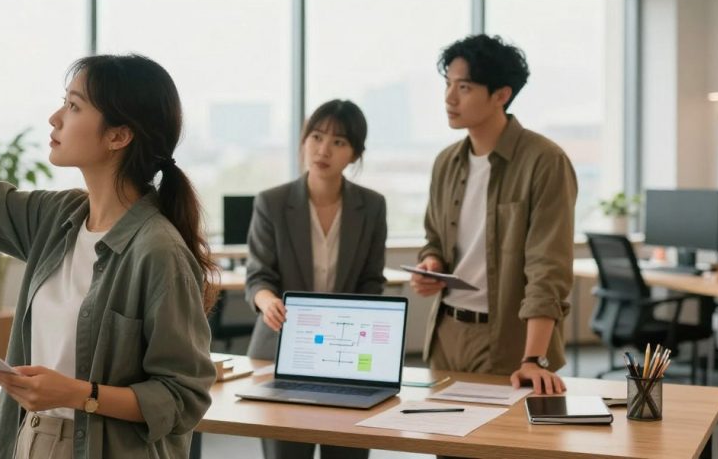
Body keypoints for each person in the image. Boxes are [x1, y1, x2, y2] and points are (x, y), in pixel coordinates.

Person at [0, 31, 218, 459]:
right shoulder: (58, 218)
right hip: (29, 435)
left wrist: (78, 394)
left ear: (118, 136)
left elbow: (183, 396)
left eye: (73, 106)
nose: (55, 117)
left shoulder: (158, 251)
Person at [410, 34, 576, 395]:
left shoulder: (545, 161)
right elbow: (434, 238)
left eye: (464, 87)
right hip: (446, 335)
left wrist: (534, 359)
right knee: (445, 447)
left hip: (510, 343)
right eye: (448, 84)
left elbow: (548, 269)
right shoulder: (445, 162)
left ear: (501, 94)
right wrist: (432, 262)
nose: (449, 98)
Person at [244, 99, 387, 459]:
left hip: (348, 355)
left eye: (339, 142)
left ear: (355, 154)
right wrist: (267, 302)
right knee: (288, 453)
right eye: (317, 137)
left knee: (347, 453)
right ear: (304, 141)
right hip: (280, 349)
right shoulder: (271, 202)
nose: (324, 149)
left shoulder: (371, 207)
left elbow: (371, 282)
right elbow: (258, 276)